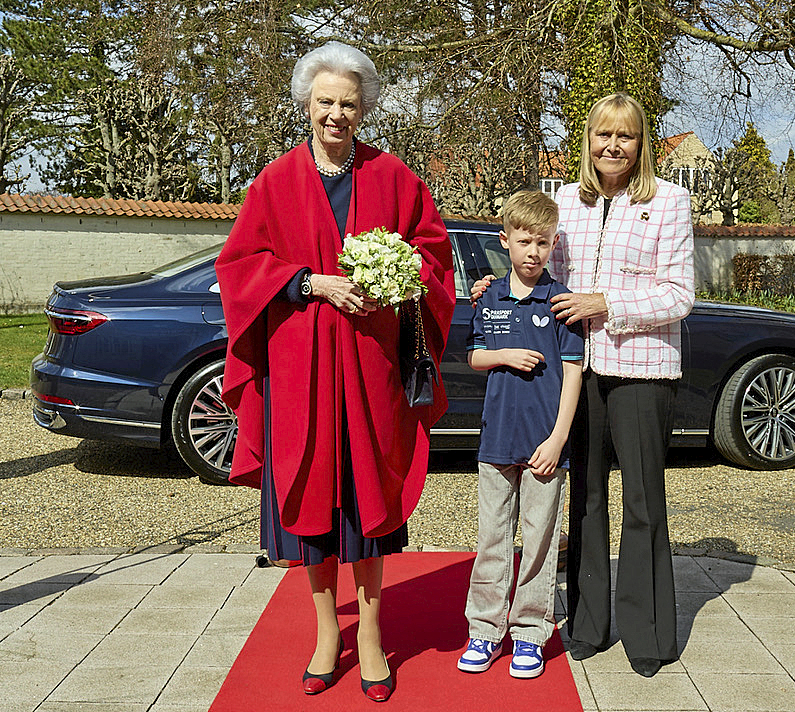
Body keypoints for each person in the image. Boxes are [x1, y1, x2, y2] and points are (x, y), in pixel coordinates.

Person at [215, 41, 455, 703]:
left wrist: (401, 281)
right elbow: (239, 267)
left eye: (349, 103)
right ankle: (328, 632)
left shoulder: (395, 178)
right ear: (307, 104)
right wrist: (309, 282)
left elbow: (434, 256)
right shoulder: (273, 181)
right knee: (314, 513)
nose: (337, 114)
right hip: (302, 373)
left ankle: (372, 637)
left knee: (366, 510)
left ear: (365, 109)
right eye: (326, 102)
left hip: (371, 372)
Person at [472, 93, 693, 677]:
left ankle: (647, 635)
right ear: (587, 141)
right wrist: (497, 289)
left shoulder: (669, 201)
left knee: (644, 502)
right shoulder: (566, 201)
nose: (612, 146)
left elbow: (679, 294)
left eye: (625, 136)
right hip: (578, 370)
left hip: (643, 367)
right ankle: (590, 624)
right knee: (587, 497)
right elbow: (539, 266)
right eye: (602, 135)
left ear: (641, 144)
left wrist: (607, 302)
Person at [457, 190, 584, 679]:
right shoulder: (486, 295)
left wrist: (557, 440)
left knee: (539, 540)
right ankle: (484, 631)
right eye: (525, 241)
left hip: (544, 445)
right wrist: (505, 355)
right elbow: (474, 356)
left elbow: (572, 375)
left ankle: (531, 632)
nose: (533, 252)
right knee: (492, 538)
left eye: (543, 242)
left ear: (553, 245)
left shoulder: (561, 302)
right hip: (497, 440)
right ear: (505, 240)